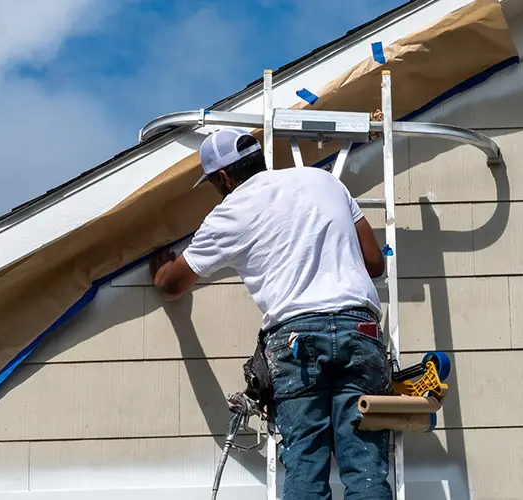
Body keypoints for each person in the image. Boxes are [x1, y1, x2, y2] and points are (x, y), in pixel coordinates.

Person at [149, 127, 393, 500]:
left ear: (224, 177)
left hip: (297, 342)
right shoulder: (322, 181)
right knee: (365, 469)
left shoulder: (230, 213)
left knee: (306, 466)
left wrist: (161, 267)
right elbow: (375, 263)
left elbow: (172, 286)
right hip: (359, 330)